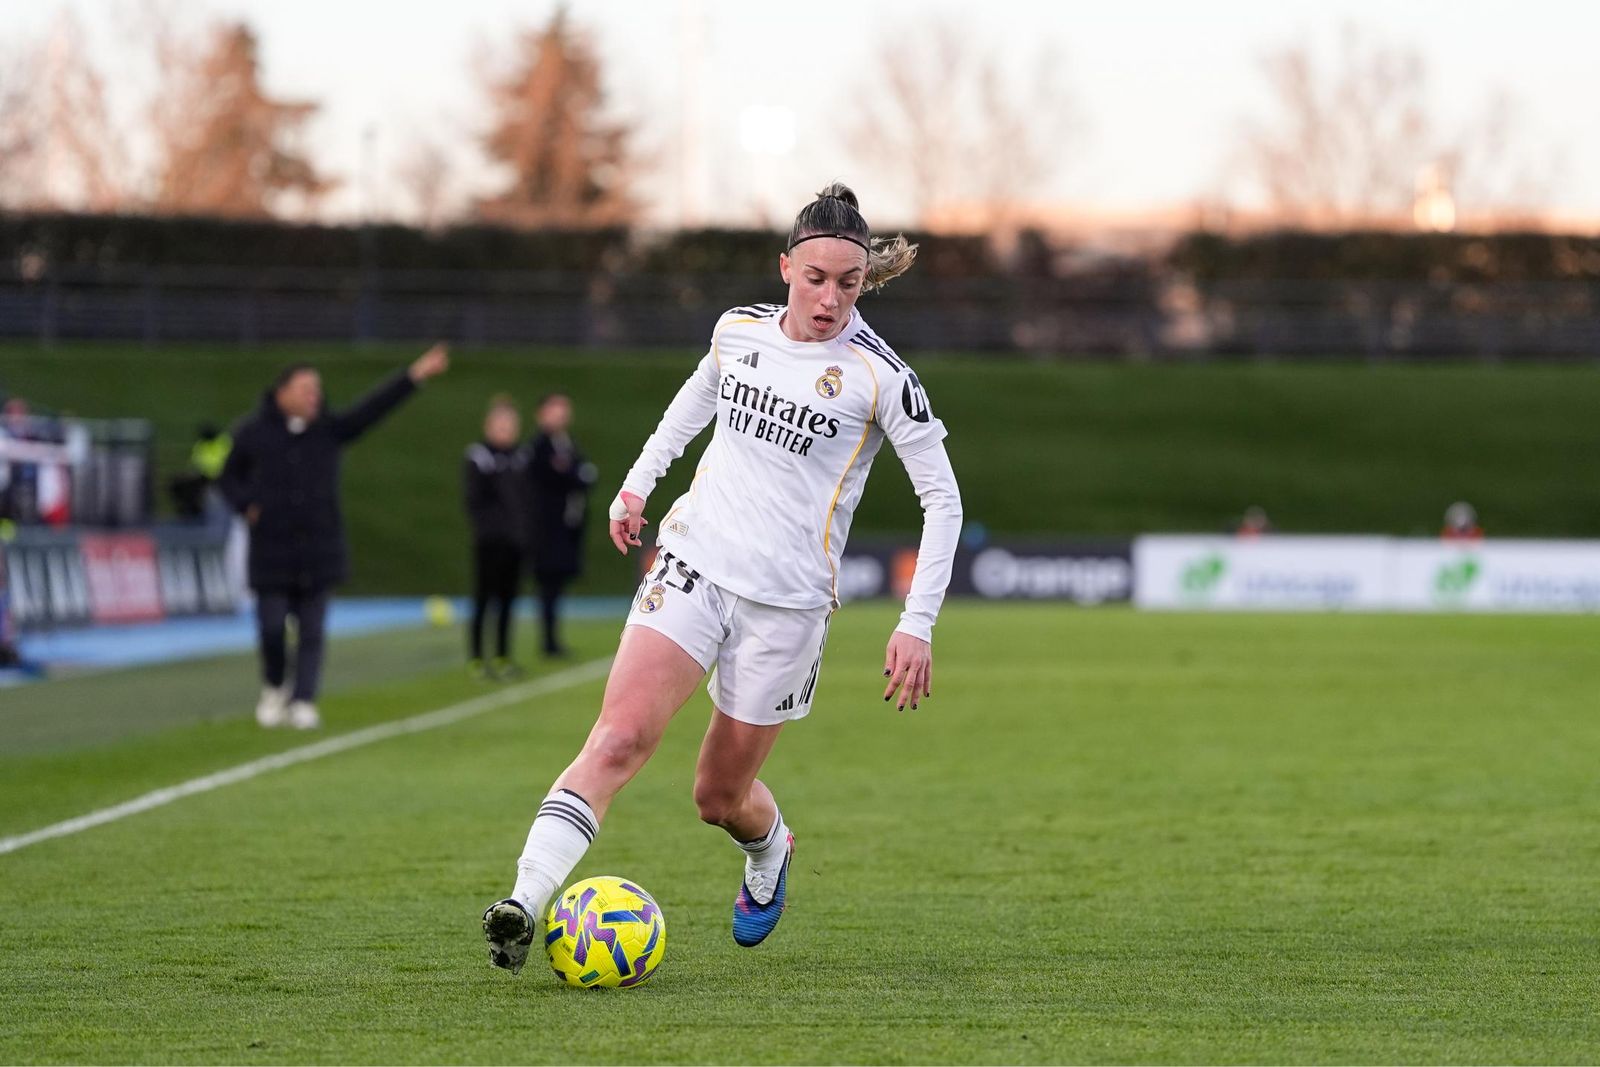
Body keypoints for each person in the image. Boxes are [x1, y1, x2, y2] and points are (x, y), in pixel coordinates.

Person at [482, 183, 963, 972]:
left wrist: (917, 622)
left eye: (848, 283)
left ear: (863, 282)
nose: (830, 298)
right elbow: (693, 402)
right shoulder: (738, 332)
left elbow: (943, 500)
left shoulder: (882, 377)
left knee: (718, 798)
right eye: (815, 278)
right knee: (619, 736)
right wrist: (638, 483)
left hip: (788, 607)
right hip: (693, 562)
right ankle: (524, 902)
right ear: (785, 267)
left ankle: (770, 847)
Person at [219, 345, 450, 729]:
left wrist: (414, 376)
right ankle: (274, 685)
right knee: (272, 628)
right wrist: (247, 505)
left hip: (318, 550)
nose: (315, 395)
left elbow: (371, 410)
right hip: (271, 551)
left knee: (312, 630)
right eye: (306, 388)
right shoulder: (252, 432)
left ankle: (303, 699)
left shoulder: (327, 431)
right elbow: (227, 478)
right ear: (283, 392)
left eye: (317, 389)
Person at [524, 392, 597, 658]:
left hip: (567, 527)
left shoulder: (566, 444)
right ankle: (548, 642)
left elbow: (582, 475)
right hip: (546, 528)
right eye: (555, 408)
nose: (561, 413)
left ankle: (553, 640)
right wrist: (574, 476)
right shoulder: (539, 447)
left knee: (557, 584)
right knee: (547, 583)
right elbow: (566, 477)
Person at [463, 395, 530, 680]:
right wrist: (490, 529)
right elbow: (473, 501)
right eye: (500, 425)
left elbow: (527, 500)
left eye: (510, 425)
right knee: (483, 599)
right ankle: (477, 658)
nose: (506, 430)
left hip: (515, 541)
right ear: (489, 426)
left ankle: (503, 656)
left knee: (508, 599)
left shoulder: (520, 458)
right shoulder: (479, 457)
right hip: (489, 541)